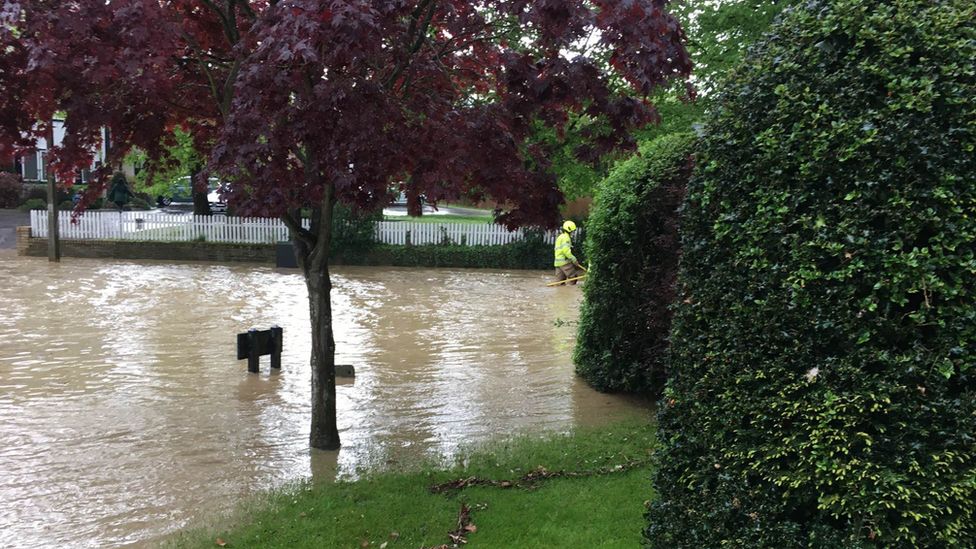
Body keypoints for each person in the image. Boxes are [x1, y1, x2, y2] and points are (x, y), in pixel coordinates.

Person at [553, 220, 585, 285]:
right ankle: (569, 291)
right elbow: (566, 251)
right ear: (569, 230)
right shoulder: (566, 238)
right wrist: (573, 259)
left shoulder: (560, 237)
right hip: (565, 263)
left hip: (558, 263)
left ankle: (561, 293)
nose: (573, 232)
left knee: (559, 282)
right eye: (573, 231)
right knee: (573, 278)